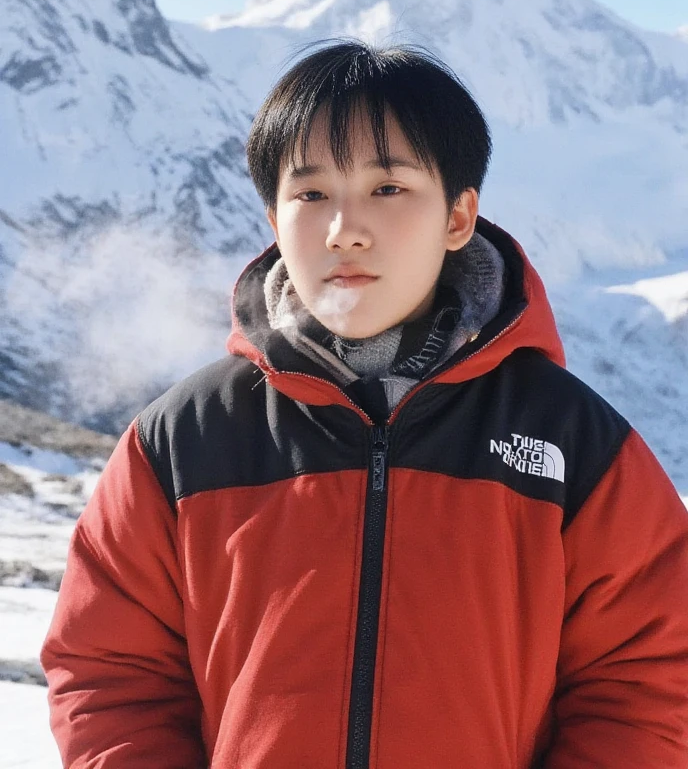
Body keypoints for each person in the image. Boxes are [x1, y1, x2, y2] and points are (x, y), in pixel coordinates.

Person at [41, 41, 688, 768]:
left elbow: (651, 678)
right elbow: (109, 678)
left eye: (388, 189)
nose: (343, 228)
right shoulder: (182, 442)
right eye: (311, 194)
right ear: (273, 220)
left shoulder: (574, 442)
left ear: (458, 217)